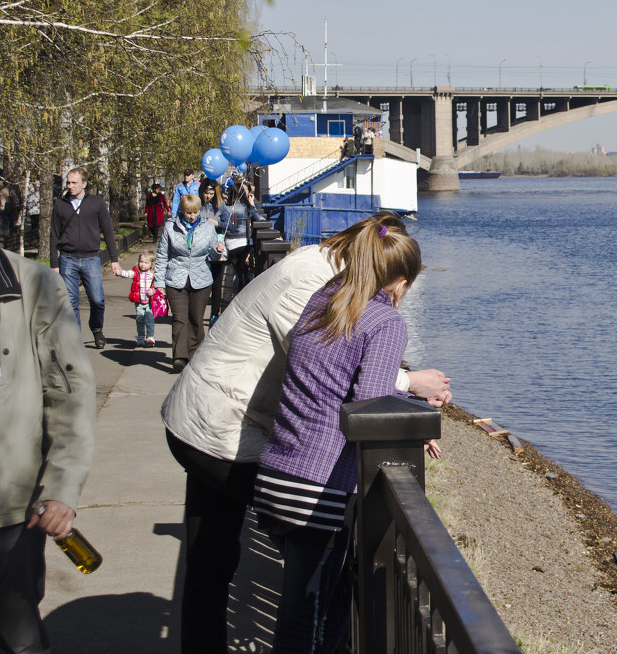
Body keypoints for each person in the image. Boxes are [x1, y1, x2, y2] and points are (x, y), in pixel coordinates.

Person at [161, 214, 451, 654]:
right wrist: (410, 387)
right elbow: (333, 368)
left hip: (207, 416)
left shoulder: (326, 275)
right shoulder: (318, 282)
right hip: (226, 427)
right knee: (319, 586)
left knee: (212, 560)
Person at [253, 216, 436, 652]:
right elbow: (371, 406)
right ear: (401, 281)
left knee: (331, 600)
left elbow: (337, 381)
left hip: (275, 476)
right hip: (319, 492)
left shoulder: (324, 299)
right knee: (304, 621)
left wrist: (410, 408)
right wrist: (414, 422)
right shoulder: (385, 322)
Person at [0, 145, 96, 653]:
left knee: (20, 638)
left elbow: (69, 396)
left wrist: (61, 487)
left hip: (8, 502)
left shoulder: (32, 285)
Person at [49, 167, 123, 348]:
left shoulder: (96, 203)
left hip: (91, 259)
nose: (70, 186)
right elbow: (54, 235)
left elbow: (108, 231)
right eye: (68, 182)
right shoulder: (60, 204)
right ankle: (75, 339)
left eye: (74, 182)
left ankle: (97, 328)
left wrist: (114, 260)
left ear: (84, 183)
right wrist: (54, 263)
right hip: (68, 258)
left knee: (97, 299)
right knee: (71, 301)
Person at [155, 193, 224, 373]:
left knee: (196, 319)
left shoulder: (208, 228)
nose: (192, 216)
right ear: (182, 211)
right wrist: (159, 283)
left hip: (200, 279)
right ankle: (179, 357)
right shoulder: (170, 227)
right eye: (188, 213)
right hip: (175, 277)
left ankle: (194, 357)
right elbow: (162, 256)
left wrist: (218, 250)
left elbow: (214, 254)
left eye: (195, 212)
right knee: (179, 319)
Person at [223, 175, 263, 297]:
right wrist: (252, 204)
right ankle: (245, 297)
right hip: (244, 244)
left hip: (230, 244)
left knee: (236, 272)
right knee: (246, 273)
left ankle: (236, 297)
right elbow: (260, 219)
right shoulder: (247, 207)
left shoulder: (226, 207)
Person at [198, 179, 230, 323]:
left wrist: (216, 223)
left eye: (211, 193)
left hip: (217, 245)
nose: (208, 196)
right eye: (206, 193)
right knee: (202, 281)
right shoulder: (197, 204)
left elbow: (227, 224)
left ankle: (215, 313)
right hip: (200, 246)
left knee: (217, 282)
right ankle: (198, 312)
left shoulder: (220, 206)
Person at [118, 250, 157, 348]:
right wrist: (120, 272)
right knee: (139, 319)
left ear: (151, 264)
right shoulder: (136, 272)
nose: (142, 264)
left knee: (149, 319)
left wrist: (153, 291)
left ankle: (150, 337)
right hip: (139, 302)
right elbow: (127, 274)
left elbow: (158, 287)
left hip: (150, 302)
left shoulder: (153, 275)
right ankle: (140, 337)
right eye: (141, 261)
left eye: (145, 262)